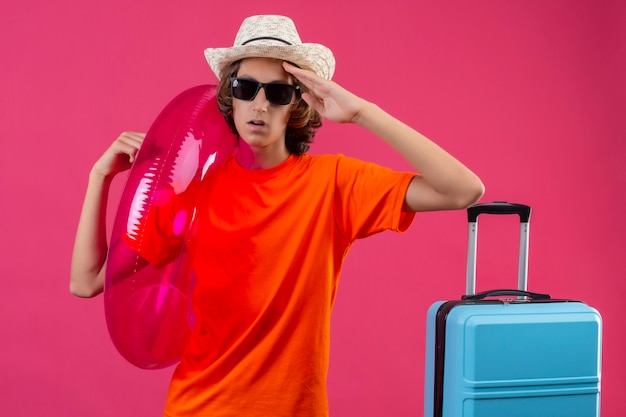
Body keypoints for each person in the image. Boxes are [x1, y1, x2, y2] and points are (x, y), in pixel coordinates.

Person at [70, 14, 484, 417]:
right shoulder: (191, 190)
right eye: (246, 88)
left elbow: (463, 189)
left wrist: (361, 113)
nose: (260, 104)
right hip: (198, 407)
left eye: (278, 93)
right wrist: (99, 178)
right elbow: (86, 282)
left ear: (298, 106)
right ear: (229, 97)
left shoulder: (332, 183)